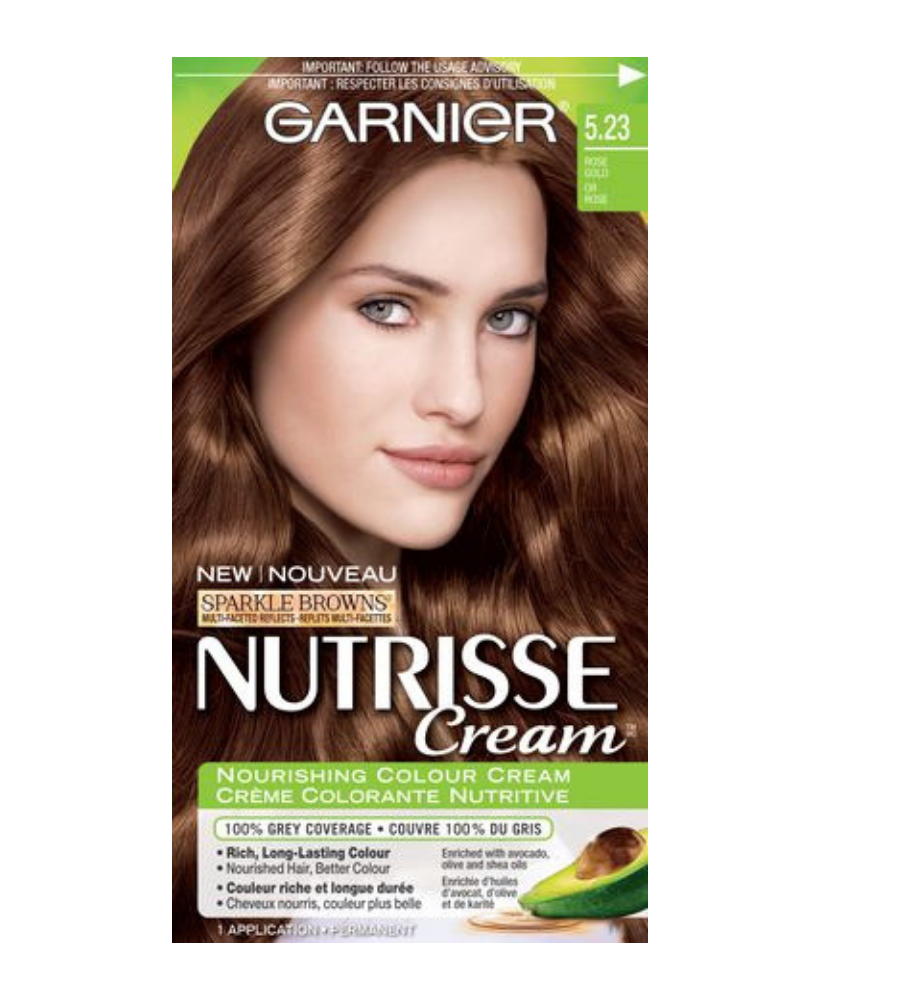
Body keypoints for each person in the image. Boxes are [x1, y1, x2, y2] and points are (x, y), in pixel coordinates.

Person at [173, 57, 647, 943]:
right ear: (247, 309)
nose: (464, 397)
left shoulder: (608, 650)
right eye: (389, 308)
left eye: (509, 318)